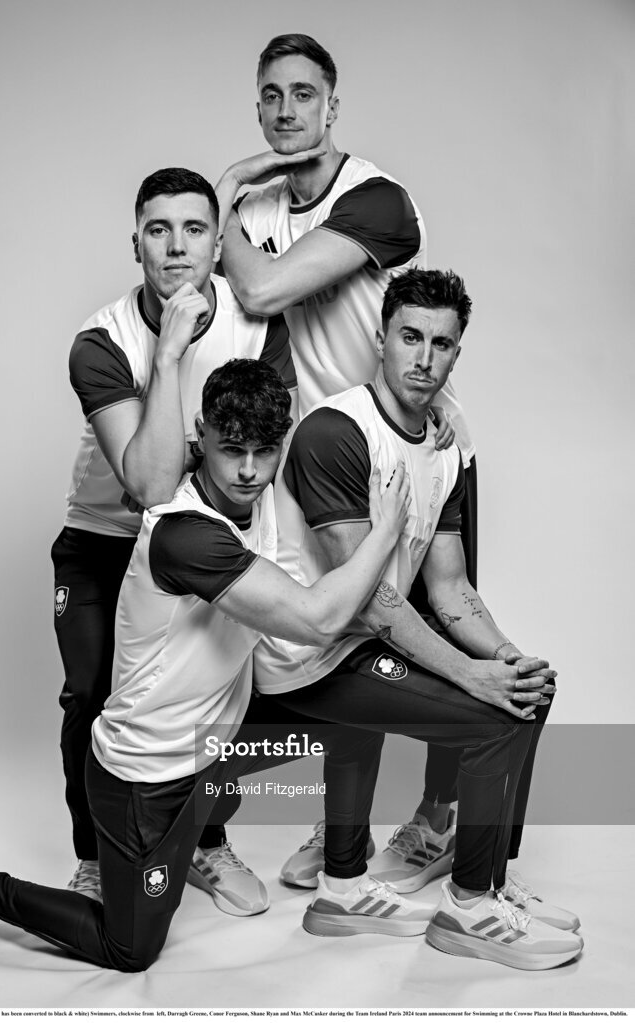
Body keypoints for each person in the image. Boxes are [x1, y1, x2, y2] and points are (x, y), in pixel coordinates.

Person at [0, 359, 412, 972]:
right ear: (200, 438)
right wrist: (386, 530)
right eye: (232, 450)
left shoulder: (266, 493)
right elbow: (318, 617)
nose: (249, 470)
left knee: (354, 716)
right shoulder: (183, 534)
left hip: (211, 752)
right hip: (145, 776)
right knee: (131, 949)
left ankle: (342, 882)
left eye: (264, 451)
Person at [254, 270, 582, 970]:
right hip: (303, 652)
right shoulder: (335, 430)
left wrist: (504, 656)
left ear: (456, 353)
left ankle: (356, 887)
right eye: (409, 336)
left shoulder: (442, 447)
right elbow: (370, 598)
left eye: (441, 343)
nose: (423, 357)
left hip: (357, 646)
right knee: (495, 717)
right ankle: (469, 907)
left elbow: (449, 583)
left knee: (525, 688)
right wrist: (473, 677)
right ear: (380, 337)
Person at [215, 33, 477, 888]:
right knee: (341, 641)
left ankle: (437, 819)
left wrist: (220, 193)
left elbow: (260, 289)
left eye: (303, 94)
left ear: (333, 105)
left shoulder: (376, 198)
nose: (286, 111)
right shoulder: (255, 217)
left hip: (412, 434)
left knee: (437, 617)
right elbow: (249, 327)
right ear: (257, 105)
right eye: (271, 96)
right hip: (327, 452)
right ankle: (342, 844)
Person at [52, 167, 296, 914]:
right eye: (158, 229)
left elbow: (261, 442)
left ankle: (206, 844)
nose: (176, 246)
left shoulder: (256, 322)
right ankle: (96, 857)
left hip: (206, 537)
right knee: (89, 695)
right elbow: (150, 486)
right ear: (136, 244)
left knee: (229, 695)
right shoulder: (101, 340)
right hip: (106, 537)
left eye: (194, 228)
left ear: (216, 240)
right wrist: (169, 354)